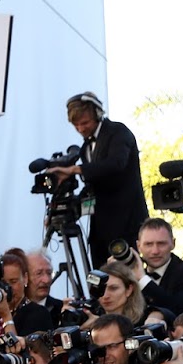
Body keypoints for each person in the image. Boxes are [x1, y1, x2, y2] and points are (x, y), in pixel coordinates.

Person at [44, 92, 147, 261]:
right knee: (100, 279)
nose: (81, 129)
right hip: (100, 227)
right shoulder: (86, 147)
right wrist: (61, 211)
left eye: (85, 123)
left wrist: (75, 169)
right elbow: (92, 188)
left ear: (98, 114)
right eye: (75, 125)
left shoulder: (118, 132)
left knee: (127, 278)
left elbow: (115, 164)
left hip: (126, 223)